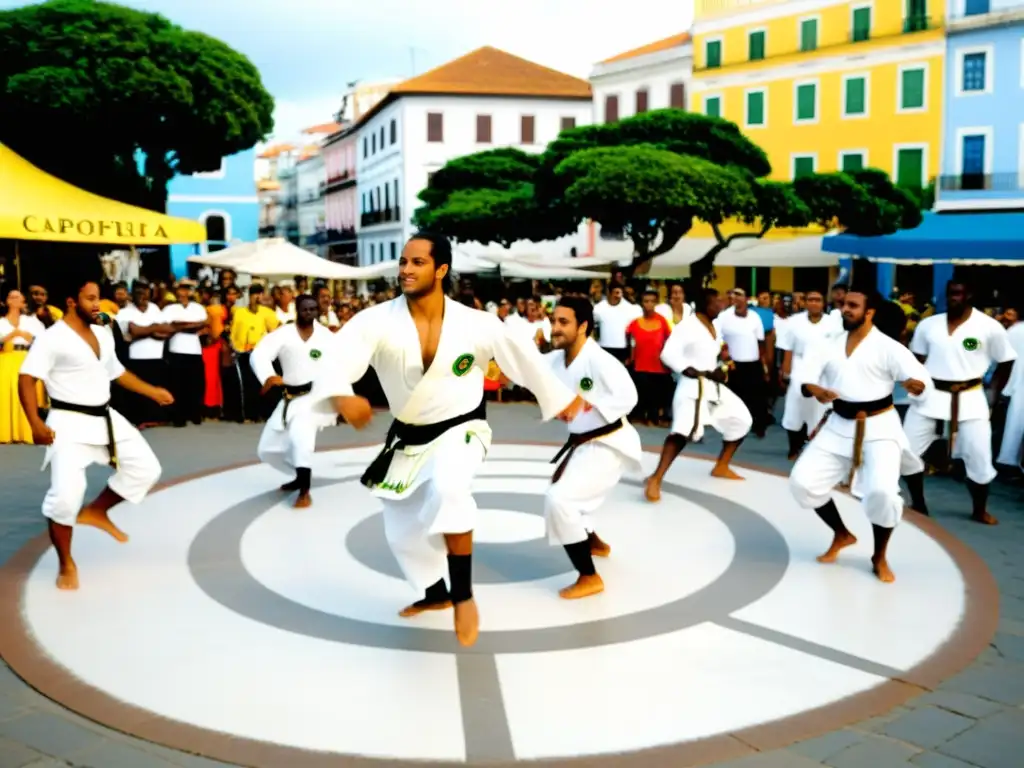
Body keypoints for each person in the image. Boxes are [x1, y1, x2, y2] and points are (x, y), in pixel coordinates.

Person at [311, 233, 582, 647]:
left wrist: (559, 397)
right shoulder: (376, 320)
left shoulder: (477, 323)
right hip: (408, 438)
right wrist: (342, 395)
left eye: (417, 262)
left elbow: (522, 358)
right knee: (401, 532)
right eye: (403, 261)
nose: (405, 269)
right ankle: (435, 593)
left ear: (440, 270)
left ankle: (463, 596)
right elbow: (334, 359)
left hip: (463, 427)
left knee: (449, 487)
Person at [18, 276, 173, 590]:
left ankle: (96, 511)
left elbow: (116, 372)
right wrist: (35, 423)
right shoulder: (52, 338)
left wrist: (152, 391)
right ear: (72, 302)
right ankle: (66, 563)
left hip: (105, 418)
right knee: (64, 498)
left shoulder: (102, 332)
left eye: (98, 298)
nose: (97, 305)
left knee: (146, 469)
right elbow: (26, 379)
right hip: (67, 423)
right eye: (90, 299)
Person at [788, 284, 930, 583]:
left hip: (880, 426)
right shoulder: (828, 342)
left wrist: (916, 385)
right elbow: (805, 379)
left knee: (882, 493)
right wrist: (815, 389)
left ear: (870, 312)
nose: (845, 309)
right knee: (803, 483)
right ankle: (842, 534)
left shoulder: (889, 347)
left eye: (853, 305)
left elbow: (920, 379)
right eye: (843, 305)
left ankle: (879, 555)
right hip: (838, 424)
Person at [545, 296, 643, 599]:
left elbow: (629, 397)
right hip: (584, 444)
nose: (555, 328)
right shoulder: (555, 359)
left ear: (583, 326)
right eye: (553, 321)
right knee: (569, 492)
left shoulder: (600, 360)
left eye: (563, 322)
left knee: (560, 500)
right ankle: (593, 542)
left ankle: (589, 577)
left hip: (608, 443)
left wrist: (585, 403)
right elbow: (528, 369)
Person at [901, 278, 1016, 525]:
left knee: (980, 456)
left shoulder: (989, 327)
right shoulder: (928, 325)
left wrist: (994, 392)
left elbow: (1006, 361)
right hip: (931, 394)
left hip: (970, 397)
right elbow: (916, 358)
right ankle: (918, 503)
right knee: (905, 451)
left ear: (969, 296)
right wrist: (913, 379)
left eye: (959, 294)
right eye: (950, 293)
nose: (953, 298)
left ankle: (979, 509)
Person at [645, 288, 753, 501]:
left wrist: (723, 365)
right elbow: (667, 354)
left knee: (742, 419)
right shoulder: (687, 326)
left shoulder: (715, 325)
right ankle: (655, 478)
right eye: (717, 302)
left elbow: (715, 352)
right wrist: (686, 368)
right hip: (692, 387)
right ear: (705, 304)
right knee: (681, 433)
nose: (721, 305)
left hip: (713, 387)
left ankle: (721, 465)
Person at [250, 295, 336, 508]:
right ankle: (299, 474)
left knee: (300, 439)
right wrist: (268, 376)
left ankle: (304, 491)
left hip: (313, 399)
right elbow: (259, 354)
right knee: (267, 450)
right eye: (305, 309)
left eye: (313, 309)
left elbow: (340, 363)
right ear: (296, 310)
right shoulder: (284, 334)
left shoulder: (326, 336)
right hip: (289, 398)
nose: (309, 313)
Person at [778, 290, 841, 459]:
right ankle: (794, 448)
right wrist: (785, 373)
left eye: (818, 300)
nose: (814, 303)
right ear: (805, 302)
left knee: (822, 410)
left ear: (823, 303)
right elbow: (787, 349)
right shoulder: (793, 322)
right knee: (794, 410)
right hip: (799, 369)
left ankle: (817, 449)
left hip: (825, 373)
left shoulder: (833, 323)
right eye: (810, 299)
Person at [715, 287, 769, 437]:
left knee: (757, 397)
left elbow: (760, 342)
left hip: (753, 363)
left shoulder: (754, 317)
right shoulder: (724, 317)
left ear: (746, 298)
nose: (735, 297)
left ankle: (759, 426)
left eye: (739, 294)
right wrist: (724, 354)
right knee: (735, 398)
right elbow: (718, 339)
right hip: (734, 365)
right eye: (733, 294)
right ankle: (734, 427)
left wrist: (764, 366)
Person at [0, 289, 46, 444]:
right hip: (6, 358)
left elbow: (44, 341)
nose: (13, 300)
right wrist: (11, 336)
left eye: (17, 297)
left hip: (26, 358)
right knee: (7, 393)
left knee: (26, 394)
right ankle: (5, 431)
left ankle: (27, 431)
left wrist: (29, 337)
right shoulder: (1, 322)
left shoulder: (31, 321)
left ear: (23, 302)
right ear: (7, 301)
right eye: (11, 296)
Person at [161, 282, 208, 427]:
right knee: (177, 385)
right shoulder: (170, 308)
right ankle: (178, 416)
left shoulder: (198, 308)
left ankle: (194, 413)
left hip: (194, 350)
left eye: (186, 289)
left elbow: (204, 324)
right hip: (176, 350)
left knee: (196, 384)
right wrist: (191, 326)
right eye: (181, 289)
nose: (184, 292)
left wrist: (181, 325)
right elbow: (169, 326)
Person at [626, 289, 672, 425]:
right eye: (646, 301)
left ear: (656, 303)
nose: (649, 304)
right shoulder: (634, 324)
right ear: (641, 303)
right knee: (641, 392)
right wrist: (630, 358)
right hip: (640, 364)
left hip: (658, 366)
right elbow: (631, 343)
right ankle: (641, 416)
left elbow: (669, 341)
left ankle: (654, 417)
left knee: (656, 394)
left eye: (652, 301)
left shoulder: (663, 322)